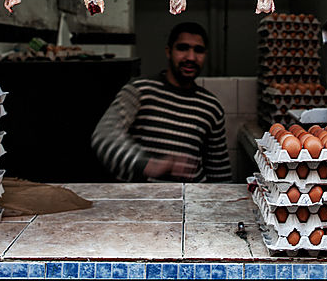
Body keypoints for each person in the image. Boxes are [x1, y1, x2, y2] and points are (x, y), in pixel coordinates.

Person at [91, 22, 232, 182]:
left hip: (191, 200)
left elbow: (219, 170)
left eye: (198, 50)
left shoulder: (211, 106)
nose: (191, 57)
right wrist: (149, 165)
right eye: (182, 48)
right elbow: (104, 136)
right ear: (168, 52)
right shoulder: (139, 91)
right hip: (142, 201)